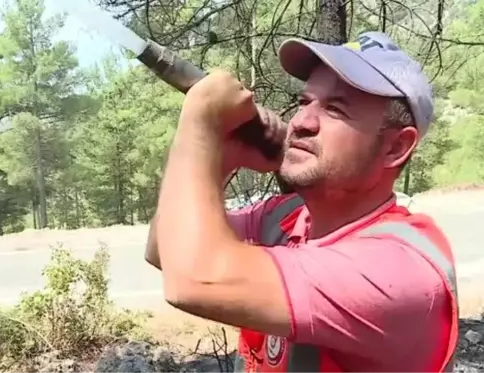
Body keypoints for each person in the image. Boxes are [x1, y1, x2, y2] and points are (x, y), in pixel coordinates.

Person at [145, 31, 458, 372]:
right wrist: (224, 156)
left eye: (335, 109)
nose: (302, 122)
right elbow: (166, 249)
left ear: (396, 147)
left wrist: (203, 122)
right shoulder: (287, 218)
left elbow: (193, 280)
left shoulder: (399, 270)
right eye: (304, 102)